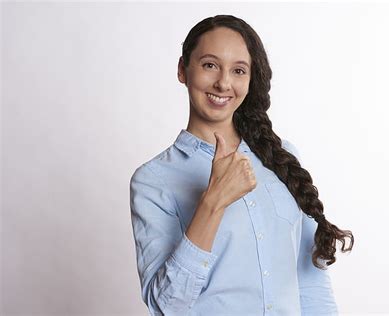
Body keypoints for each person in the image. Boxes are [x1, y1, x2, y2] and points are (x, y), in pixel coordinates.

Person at [129, 14, 354, 316]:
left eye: (238, 70)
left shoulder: (283, 157)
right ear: (183, 70)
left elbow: (310, 282)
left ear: (250, 79)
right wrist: (214, 200)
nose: (223, 82)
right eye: (210, 65)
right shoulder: (153, 181)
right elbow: (167, 306)